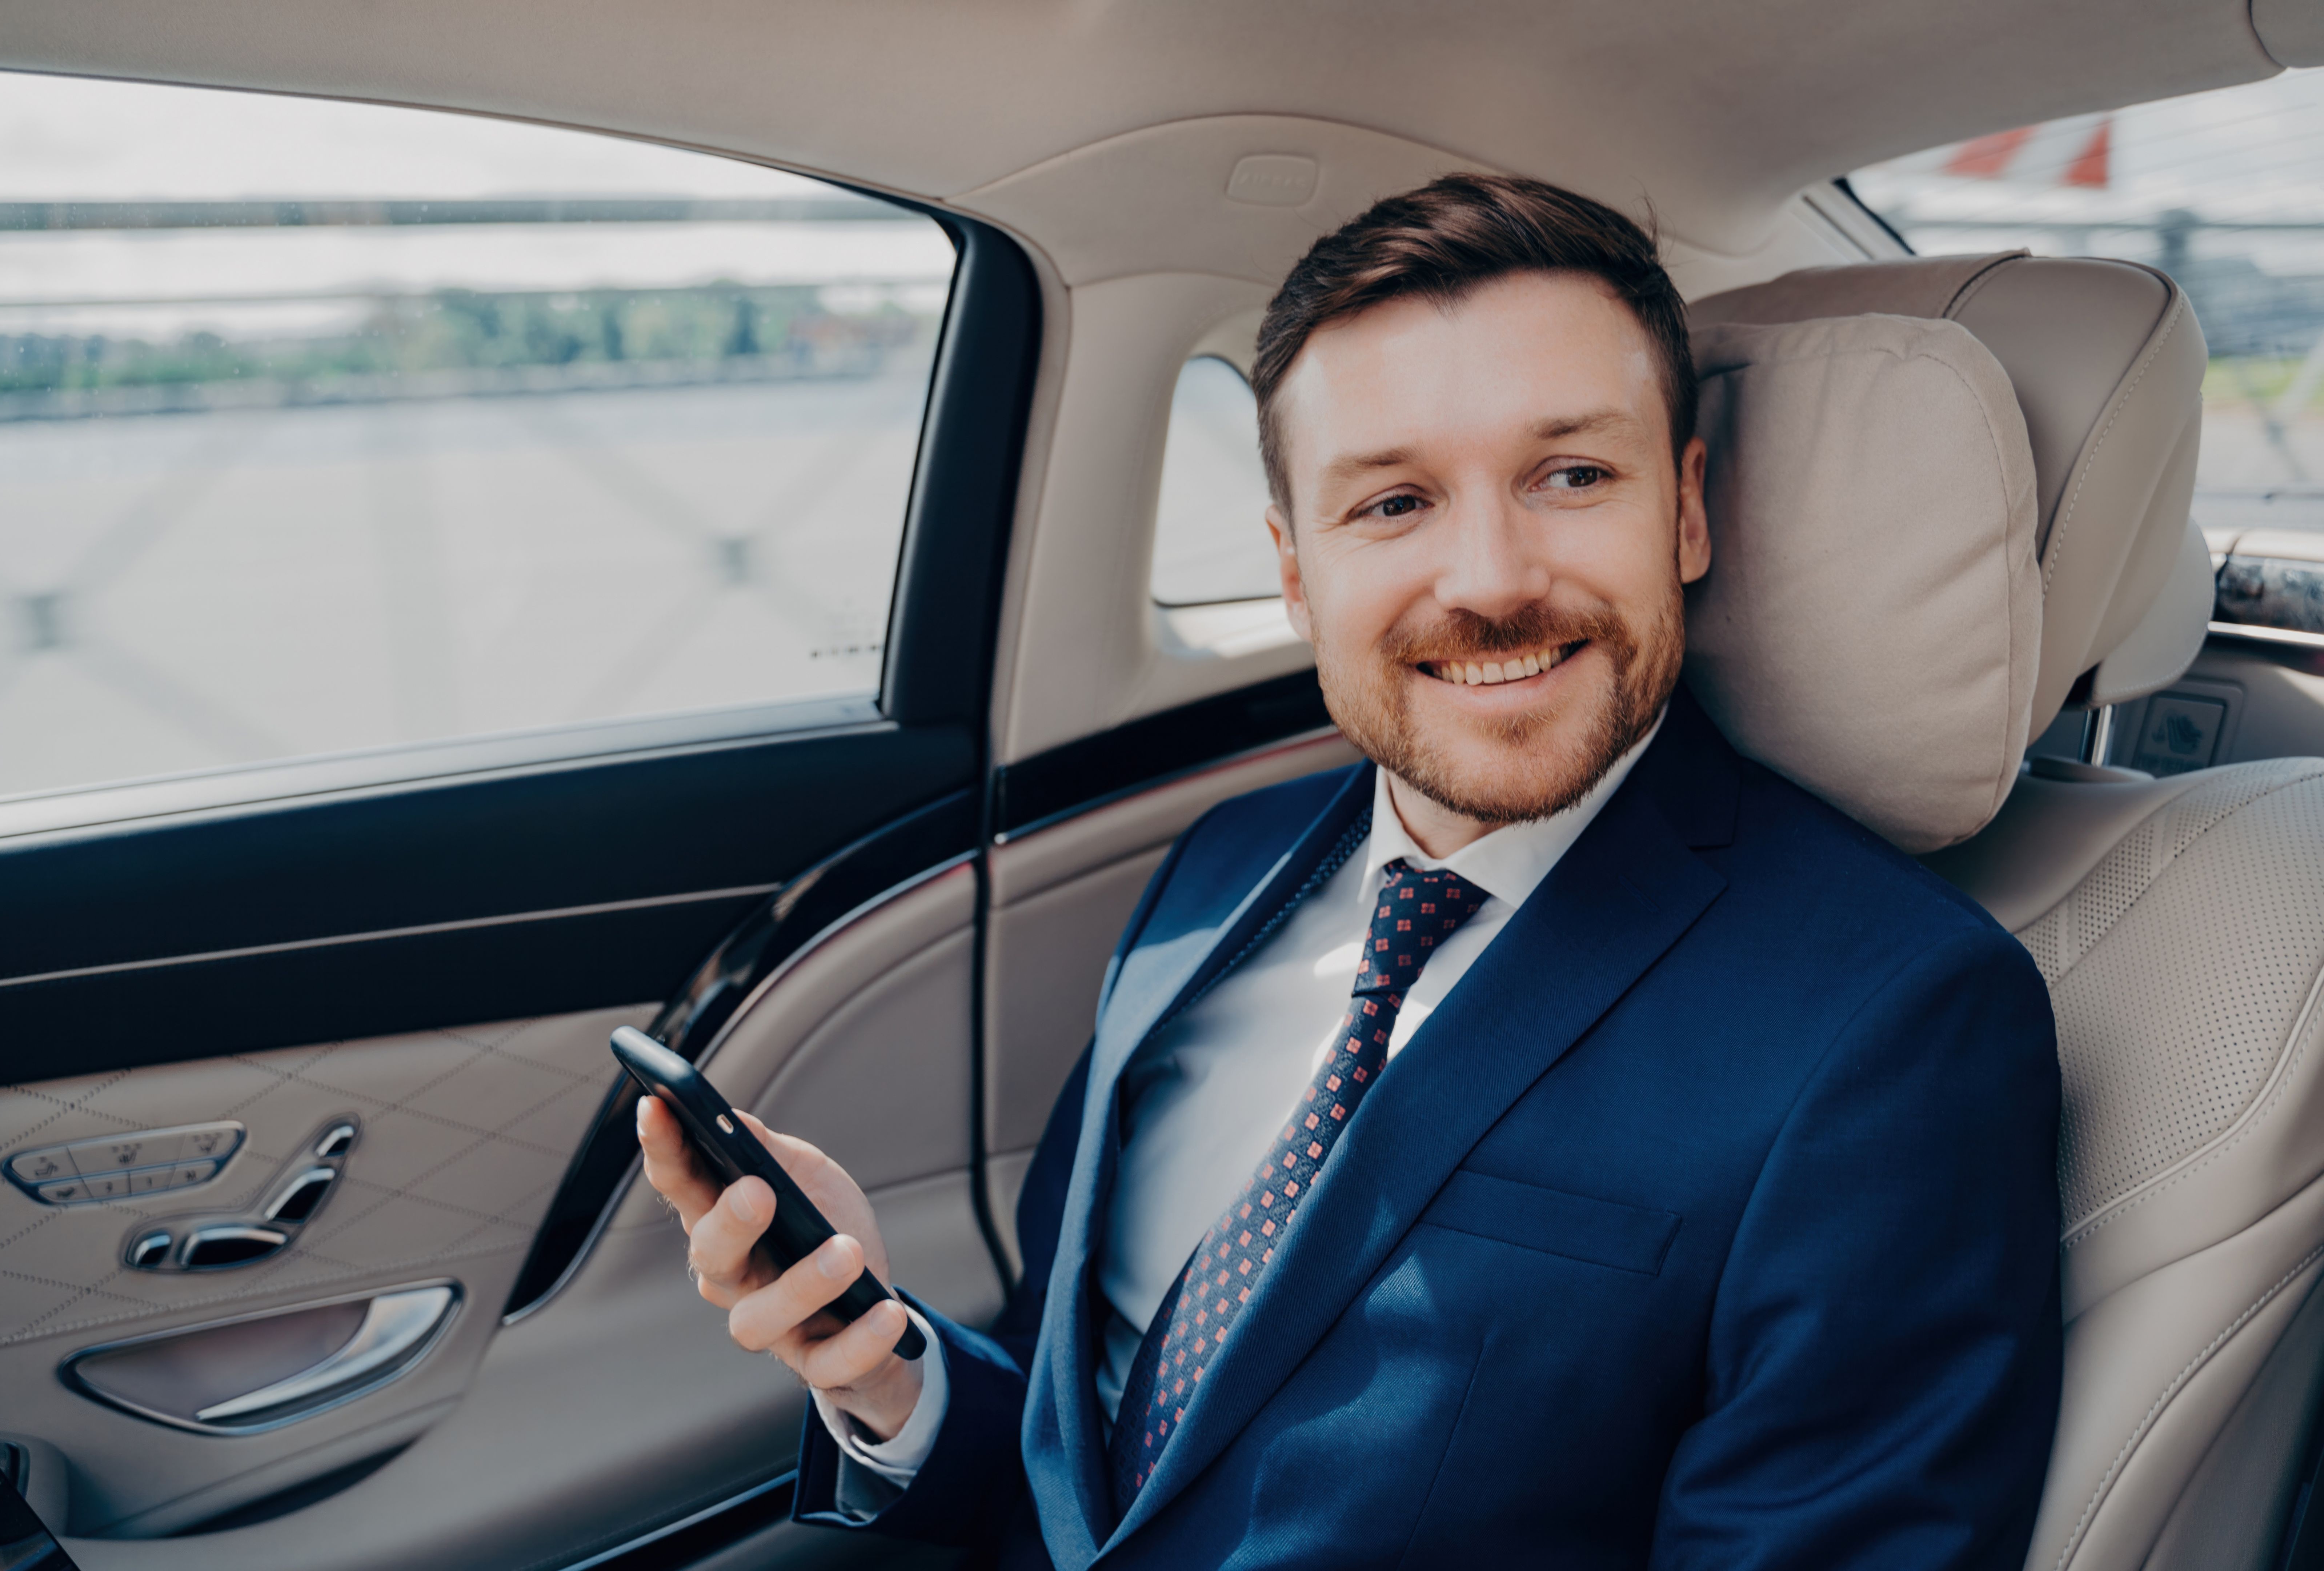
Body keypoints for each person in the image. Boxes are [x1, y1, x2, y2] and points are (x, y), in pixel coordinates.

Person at [637, 173, 2062, 1568]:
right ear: (1297, 570)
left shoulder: (1898, 1023)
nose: (1492, 579)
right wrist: (881, 1365)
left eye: (1572, 475)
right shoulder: (1215, 877)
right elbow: (1120, 1456)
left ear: (1683, 514)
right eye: (1394, 505)